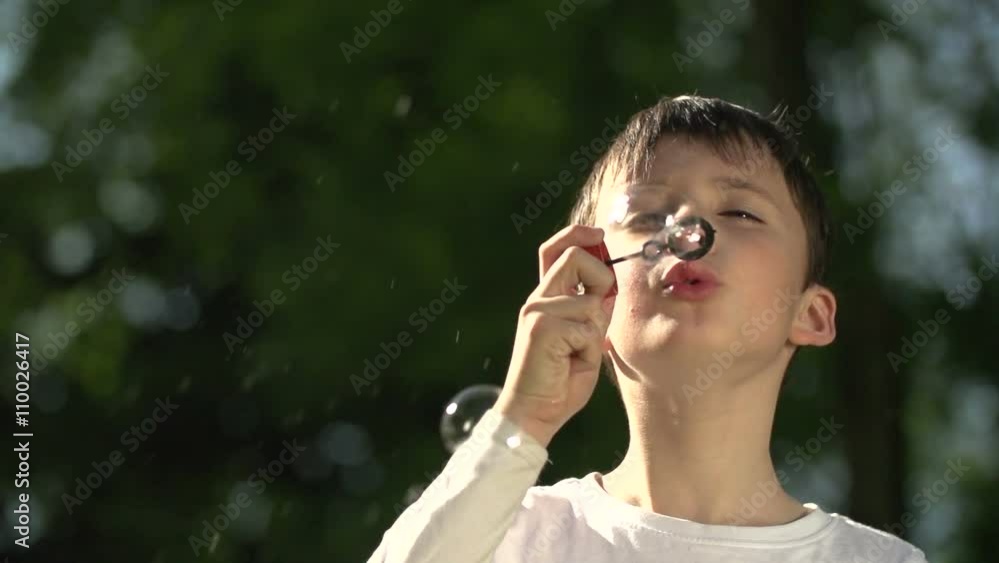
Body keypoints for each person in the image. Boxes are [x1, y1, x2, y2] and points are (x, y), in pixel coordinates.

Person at [367, 95, 928, 562]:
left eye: (740, 212)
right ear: (585, 293)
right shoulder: (510, 537)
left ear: (811, 315)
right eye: (647, 217)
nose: (689, 230)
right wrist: (524, 418)